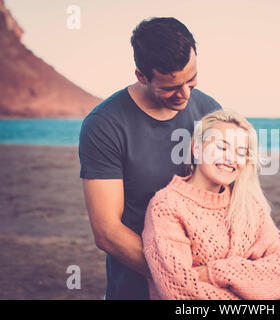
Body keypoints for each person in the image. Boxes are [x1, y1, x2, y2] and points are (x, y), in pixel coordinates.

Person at [78, 17, 222, 300]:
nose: (184, 95)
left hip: (210, 287)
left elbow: (232, 199)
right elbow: (106, 230)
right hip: (136, 289)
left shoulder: (210, 112)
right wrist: (181, 278)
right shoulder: (104, 124)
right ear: (141, 76)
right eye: (170, 87)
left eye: (191, 80)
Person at [142, 110, 280, 299]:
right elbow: (180, 292)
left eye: (240, 152)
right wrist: (248, 285)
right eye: (222, 148)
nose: (231, 159)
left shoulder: (249, 205)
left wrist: (217, 272)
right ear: (196, 148)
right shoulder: (167, 206)